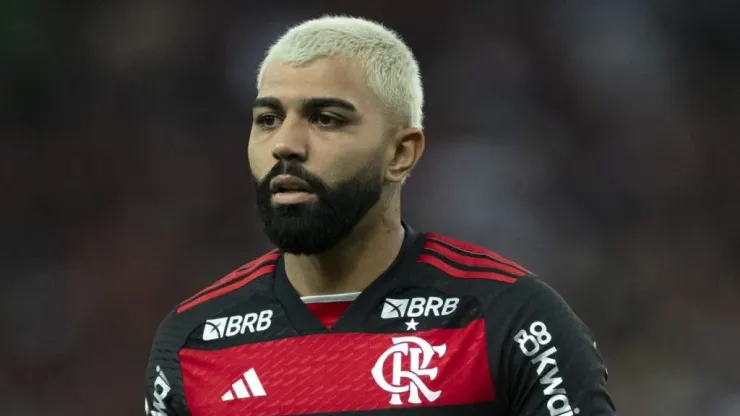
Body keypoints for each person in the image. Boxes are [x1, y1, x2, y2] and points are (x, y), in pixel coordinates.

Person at [144, 15, 616, 416]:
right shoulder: (192, 343)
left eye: (326, 119)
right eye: (268, 119)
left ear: (400, 153)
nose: (286, 144)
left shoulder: (510, 321)